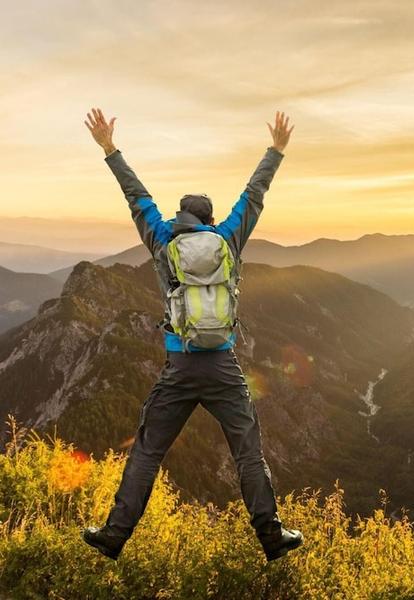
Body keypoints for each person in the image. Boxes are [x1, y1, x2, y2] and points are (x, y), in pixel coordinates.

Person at [80, 107, 302, 561]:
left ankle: (114, 535)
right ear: (209, 219)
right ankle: (272, 538)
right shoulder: (227, 240)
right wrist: (275, 151)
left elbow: (135, 196)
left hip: (179, 367)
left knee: (147, 452)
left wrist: (110, 149)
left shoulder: (163, 241)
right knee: (248, 454)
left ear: (182, 217)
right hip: (223, 365)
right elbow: (253, 195)